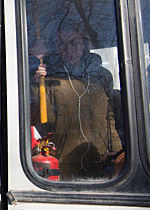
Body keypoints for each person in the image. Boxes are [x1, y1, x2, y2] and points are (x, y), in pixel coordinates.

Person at [30, 27, 122, 179]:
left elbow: (108, 122)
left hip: (100, 159)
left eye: (73, 42)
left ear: (84, 44)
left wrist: (118, 155)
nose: (68, 49)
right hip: (65, 161)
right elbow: (46, 121)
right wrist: (36, 84)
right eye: (60, 44)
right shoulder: (50, 80)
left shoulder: (101, 77)